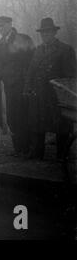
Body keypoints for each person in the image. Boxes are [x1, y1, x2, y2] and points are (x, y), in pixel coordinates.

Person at [24, 18, 76, 160]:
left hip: (56, 96)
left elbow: (70, 76)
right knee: (37, 123)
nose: (45, 35)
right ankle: (37, 153)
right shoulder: (39, 50)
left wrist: (65, 94)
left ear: (54, 32)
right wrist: (27, 88)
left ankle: (63, 154)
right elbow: (31, 71)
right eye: (43, 32)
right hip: (39, 94)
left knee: (61, 125)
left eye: (48, 32)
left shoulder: (65, 50)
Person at [0, 15, 23, 155]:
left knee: (23, 115)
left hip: (22, 84)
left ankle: (27, 148)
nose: (0, 29)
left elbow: (28, 62)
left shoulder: (21, 39)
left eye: (3, 25)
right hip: (9, 85)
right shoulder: (0, 43)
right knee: (12, 116)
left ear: (10, 24)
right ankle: (19, 149)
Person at [6, 33, 35, 157]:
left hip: (23, 90)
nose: (15, 44)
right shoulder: (15, 55)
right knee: (13, 119)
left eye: (17, 42)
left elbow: (29, 71)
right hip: (13, 89)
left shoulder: (29, 54)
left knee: (23, 119)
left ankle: (25, 148)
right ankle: (18, 148)